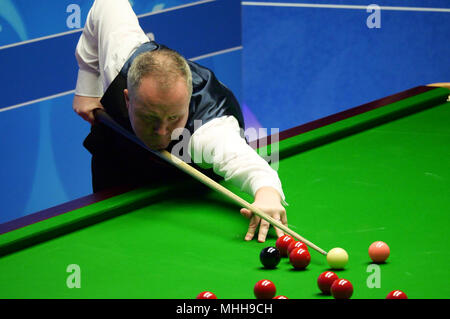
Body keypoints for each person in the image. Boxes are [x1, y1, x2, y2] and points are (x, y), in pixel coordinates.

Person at [72, 0, 288, 243]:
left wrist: (267, 194)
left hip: (187, 184)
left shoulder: (208, 131)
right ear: (127, 98)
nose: (163, 132)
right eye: (150, 117)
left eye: (174, 118)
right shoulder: (120, 57)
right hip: (121, 159)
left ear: (187, 102)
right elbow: (107, 5)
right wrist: (87, 88)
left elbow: (247, 164)